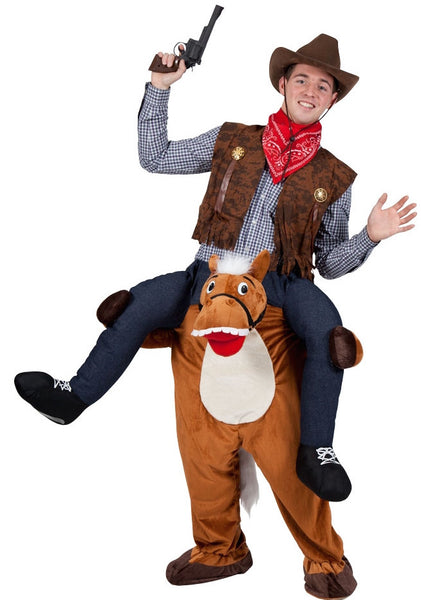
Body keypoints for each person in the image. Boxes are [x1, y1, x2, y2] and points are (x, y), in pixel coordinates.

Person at [14, 34, 416, 502]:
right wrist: (159, 87)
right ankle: (74, 396)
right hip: (210, 273)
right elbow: (155, 157)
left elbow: (328, 263)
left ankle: (316, 449)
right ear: (282, 84)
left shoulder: (335, 177)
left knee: (329, 330)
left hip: (282, 283)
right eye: (302, 80)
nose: (310, 91)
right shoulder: (232, 139)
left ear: (332, 100)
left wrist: (370, 236)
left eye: (323, 86)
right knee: (138, 302)